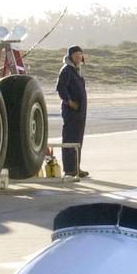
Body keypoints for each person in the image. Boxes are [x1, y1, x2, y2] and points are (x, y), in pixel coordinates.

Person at [55, 45, 89, 179]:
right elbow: (60, 87)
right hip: (71, 111)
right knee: (69, 139)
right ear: (70, 57)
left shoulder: (78, 70)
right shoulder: (67, 70)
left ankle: (76, 167)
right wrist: (69, 101)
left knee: (78, 140)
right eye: (76, 55)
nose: (79, 57)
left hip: (80, 111)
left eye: (80, 54)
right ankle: (69, 170)